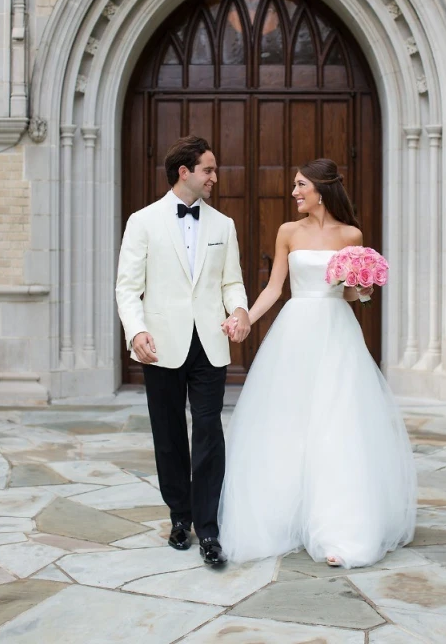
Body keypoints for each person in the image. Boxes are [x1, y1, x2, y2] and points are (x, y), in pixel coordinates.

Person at [219, 158, 416, 568]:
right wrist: (245, 320)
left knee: (337, 423)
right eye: (295, 185)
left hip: (337, 332)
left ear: (321, 190)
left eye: (300, 185)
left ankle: (338, 527)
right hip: (296, 331)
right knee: (290, 421)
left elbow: (349, 296)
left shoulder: (351, 235)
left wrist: (363, 290)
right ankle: (282, 518)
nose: (294, 192)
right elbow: (275, 288)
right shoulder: (287, 232)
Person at [116, 135, 250, 567]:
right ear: (185, 172)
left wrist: (240, 312)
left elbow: (232, 282)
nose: (215, 176)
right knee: (169, 436)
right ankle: (180, 517)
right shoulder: (142, 221)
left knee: (209, 431)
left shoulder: (223, 225)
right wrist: (136, 332)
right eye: (209, 169)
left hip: (210, 344)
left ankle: (209, 530)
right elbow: (127, 287)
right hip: (161, 344)